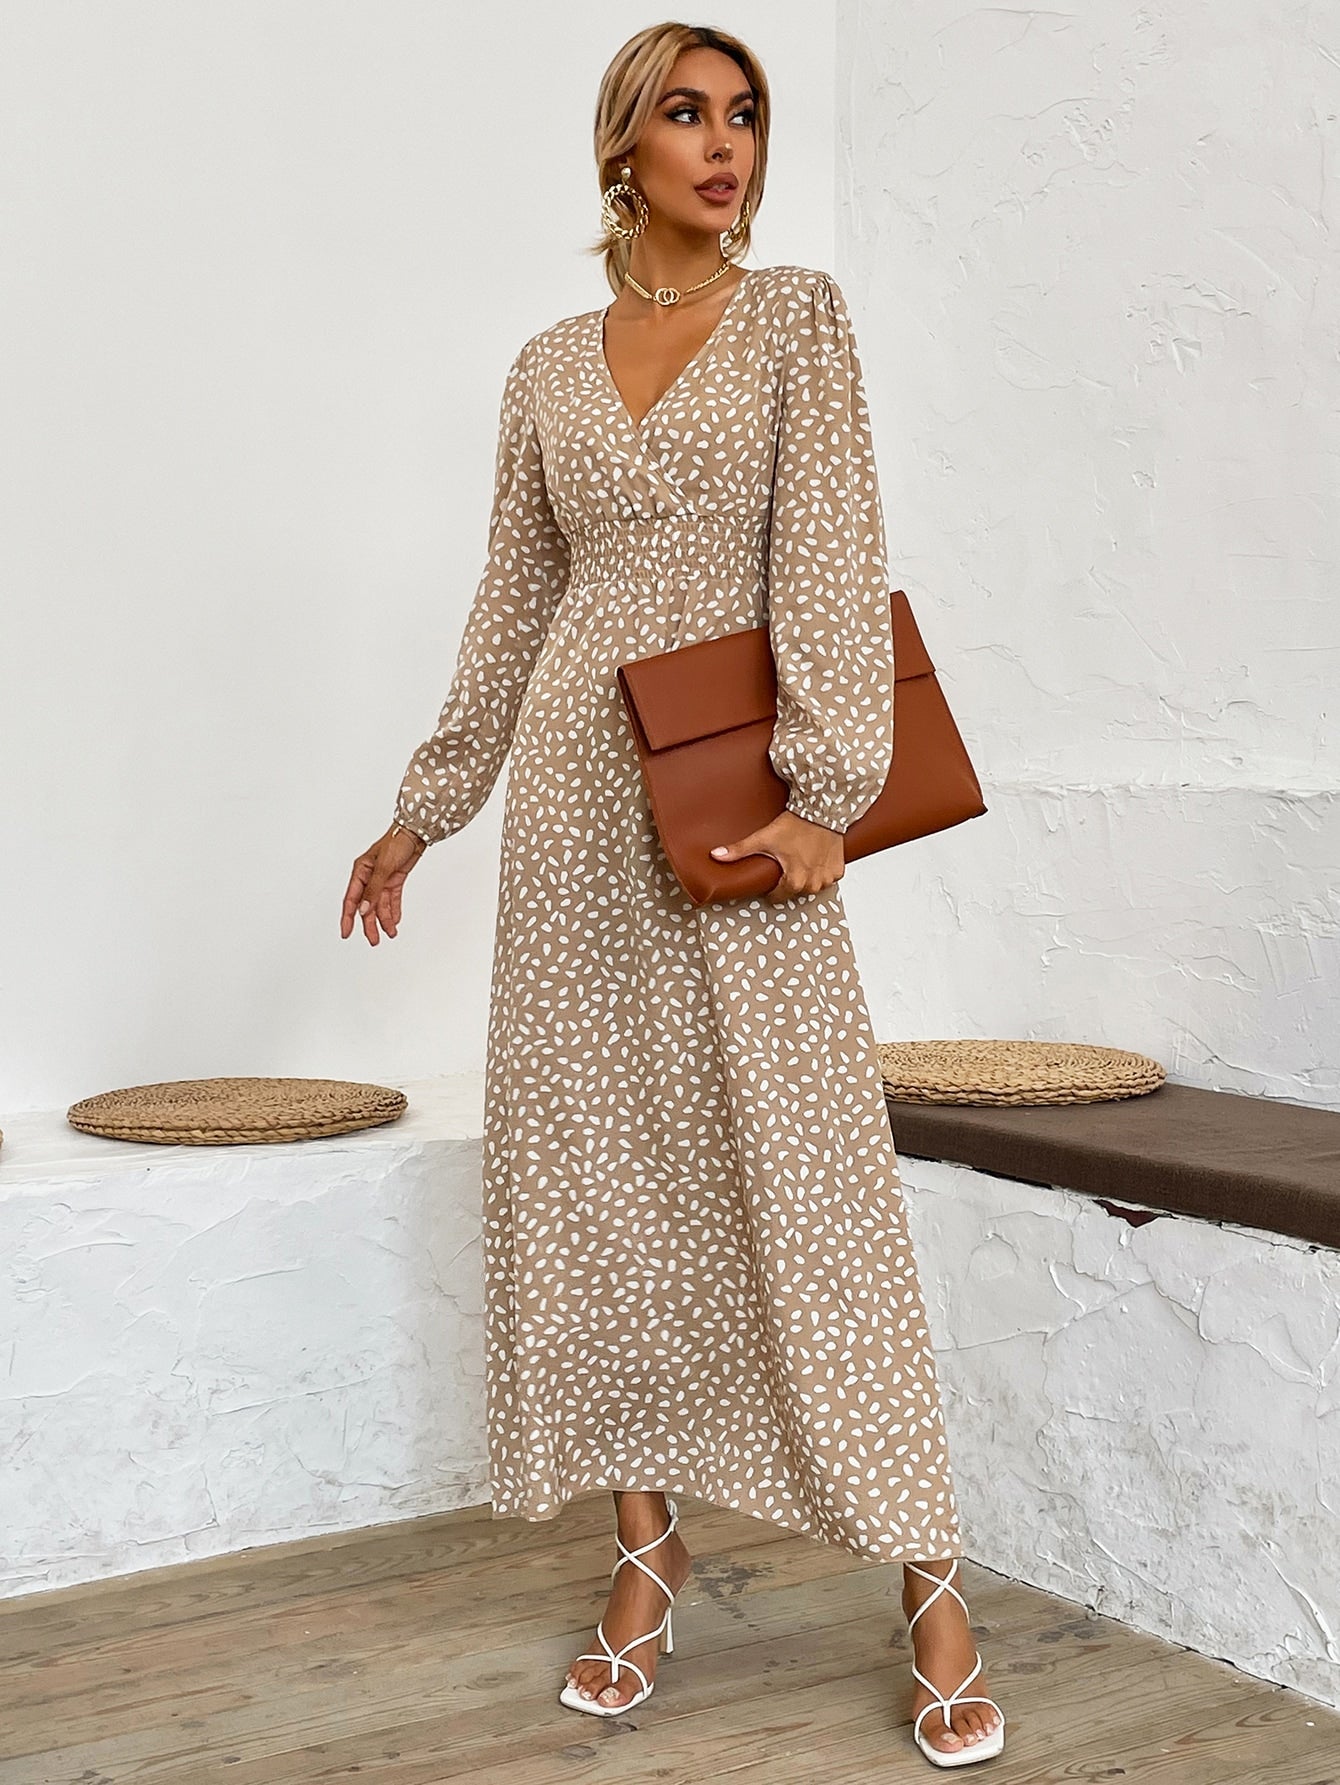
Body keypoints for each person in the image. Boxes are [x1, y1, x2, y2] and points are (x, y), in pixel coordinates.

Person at [340, 21, 1005, 1768]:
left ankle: (931, 1581)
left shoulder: (796, 322)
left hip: (734, 810)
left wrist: (828, 795)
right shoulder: (546, 368)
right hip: (572, 827)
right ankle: (646, 1555)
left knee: (812, 1178)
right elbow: (513, 602)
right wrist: (423, 813)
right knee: (600, 1188)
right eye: (688, 115)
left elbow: (835, 557)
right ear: (620, 149)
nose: (727, 145)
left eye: (747, 116)